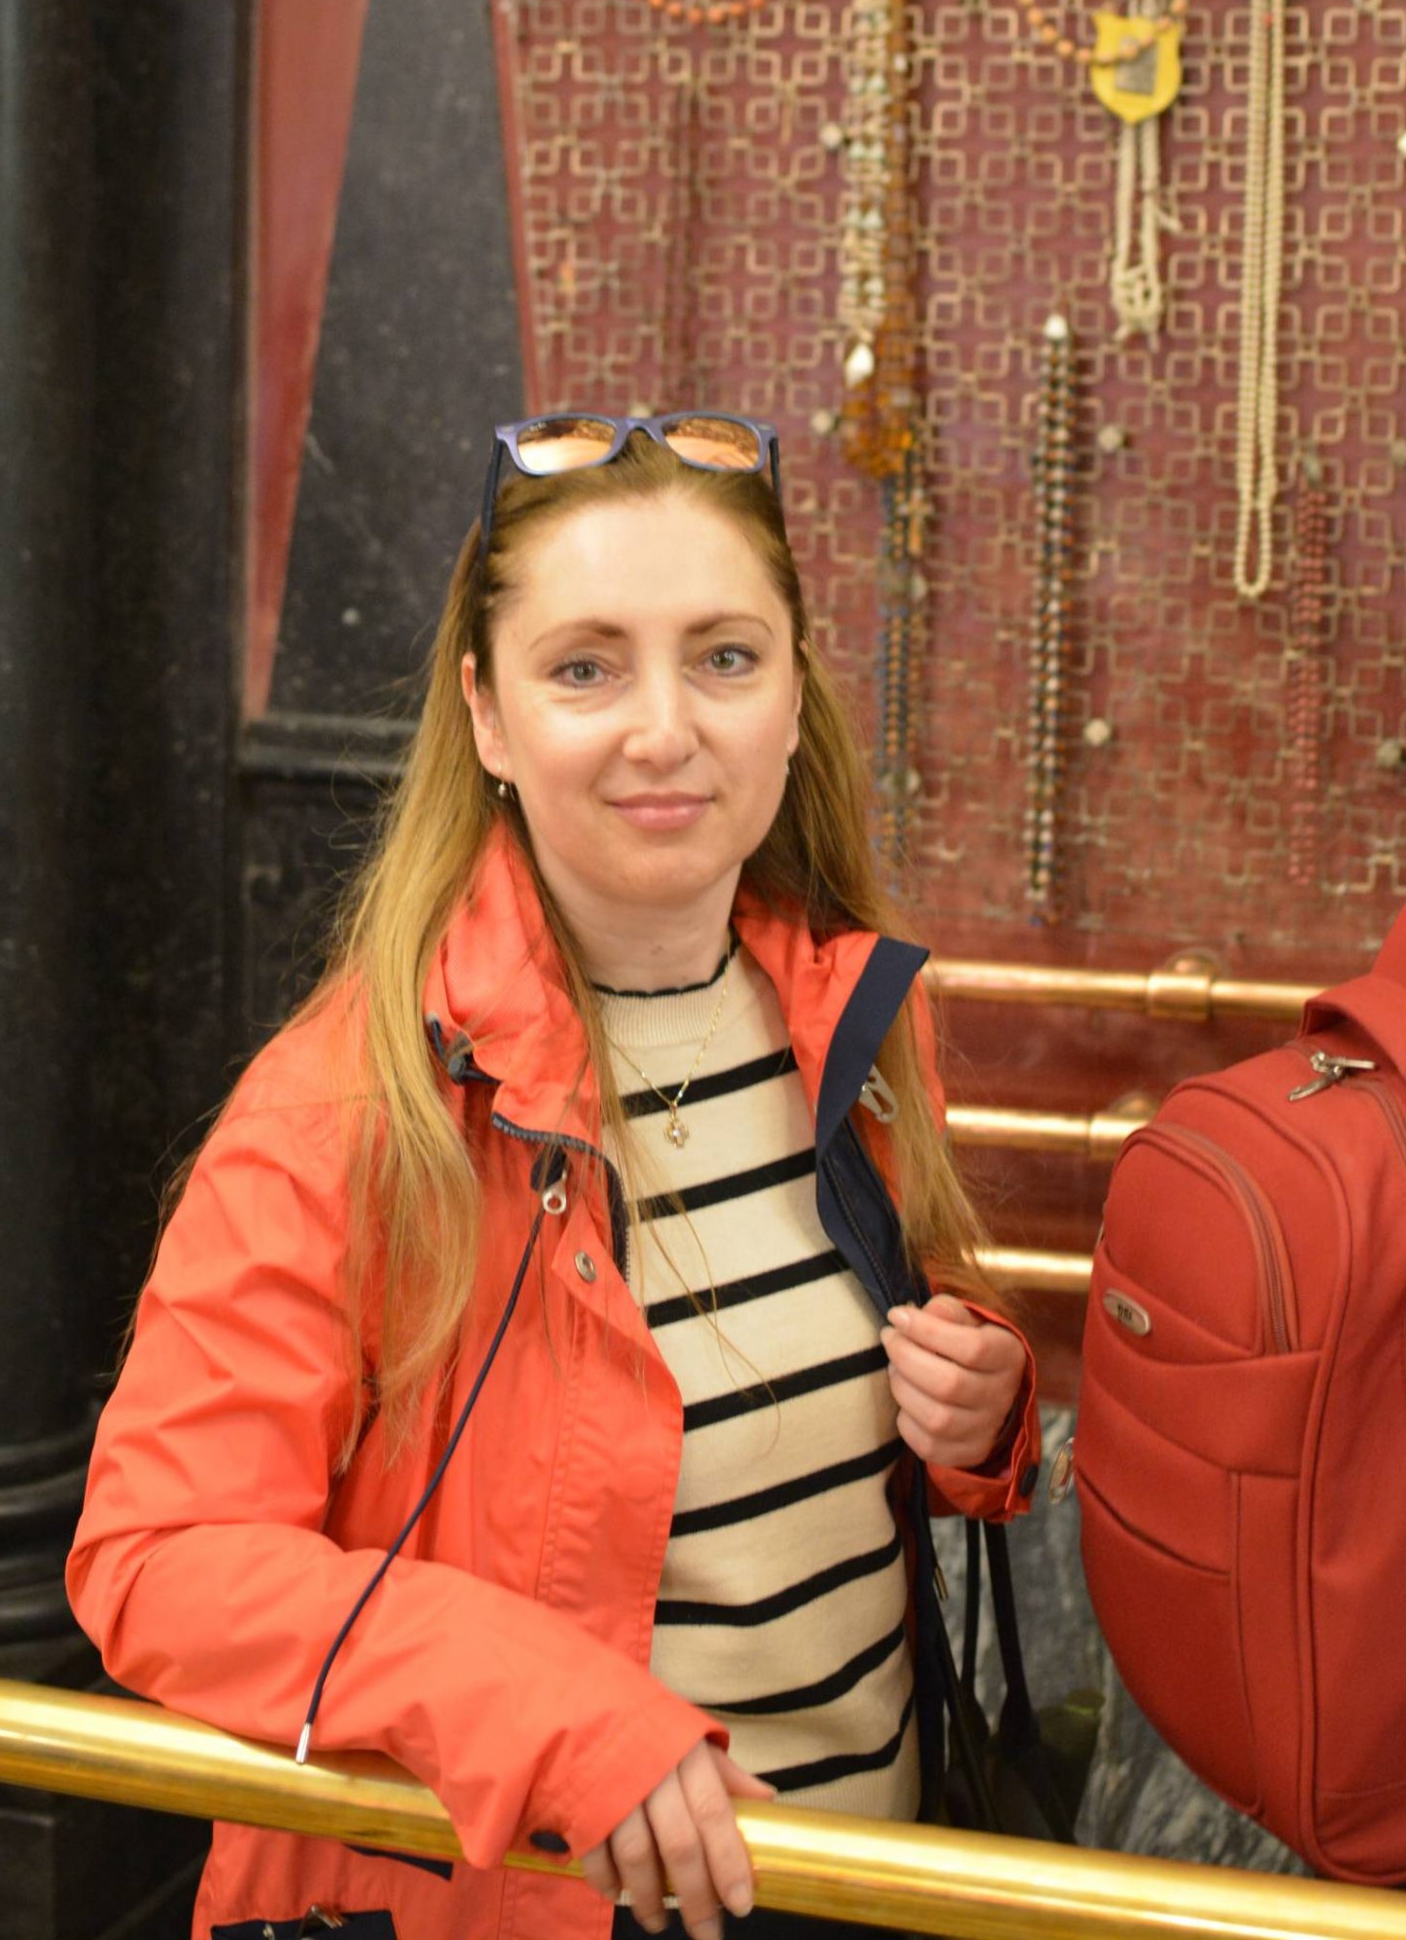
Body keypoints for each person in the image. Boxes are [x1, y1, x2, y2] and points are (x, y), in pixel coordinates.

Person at [68, 412, 1041, 1940]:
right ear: (489, 717)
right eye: (585, 668)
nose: (665, 729)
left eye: (725, 658)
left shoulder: (851, 1019)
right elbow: (157, 1561)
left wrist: (975, 1409)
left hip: (874, 1875)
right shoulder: (353, 1105)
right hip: (546, 1900)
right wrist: (552, 1716)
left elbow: (825, 1406)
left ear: (794, 698)